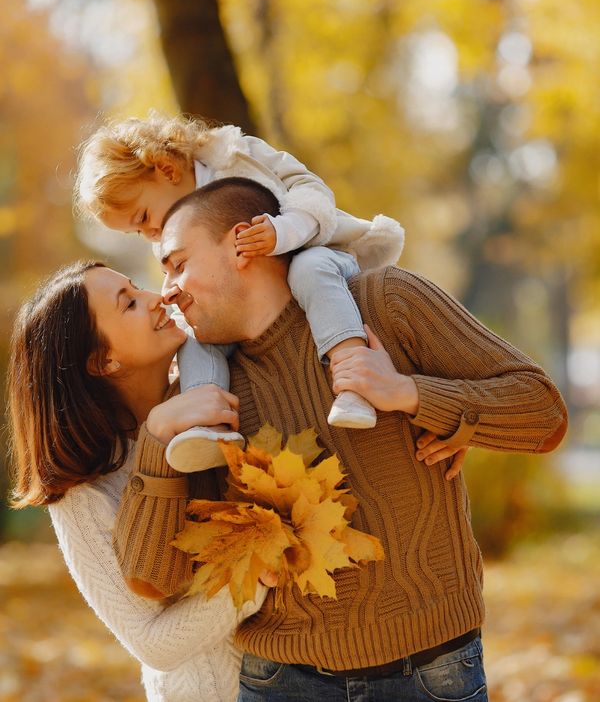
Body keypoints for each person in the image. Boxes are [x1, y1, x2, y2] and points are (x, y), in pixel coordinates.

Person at [113, 177, 568, 701]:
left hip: (432, 675)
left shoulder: (385, 302)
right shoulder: (204, 400)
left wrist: (410, 394)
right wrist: (159, 437)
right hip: (279, 682)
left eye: (177, 263)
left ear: (243, 243)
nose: (167, 289)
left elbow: (544, 413)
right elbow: (154, 578)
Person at [74, 114, 405, 473]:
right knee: (195, 336)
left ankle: (354, 381)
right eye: (136, 233)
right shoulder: (169, 235)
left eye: (142, 217)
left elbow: (310, 189)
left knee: (308, 269)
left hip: (315, 254)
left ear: (166, 170)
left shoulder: (235, 156)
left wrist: (283, 231)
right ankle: (208, 423)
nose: (150, 234)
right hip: (260, 311)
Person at [7, 261, 270, 702]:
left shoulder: (211, 391)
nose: (157, 297)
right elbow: (153, 644)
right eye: (129, 303)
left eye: (136, 288)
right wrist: (257, 573)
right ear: (102, 360)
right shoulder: (83, 495)